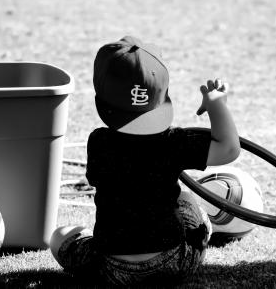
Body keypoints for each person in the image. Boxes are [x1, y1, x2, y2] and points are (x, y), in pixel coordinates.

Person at [50, 35, 240, 286]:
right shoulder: (174, 141)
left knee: (58, 237)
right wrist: (217, 106)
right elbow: (228, 149)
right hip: (174, 263)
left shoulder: (99, 142)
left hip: (110, 267)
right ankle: (203, 232)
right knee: (185, 198)